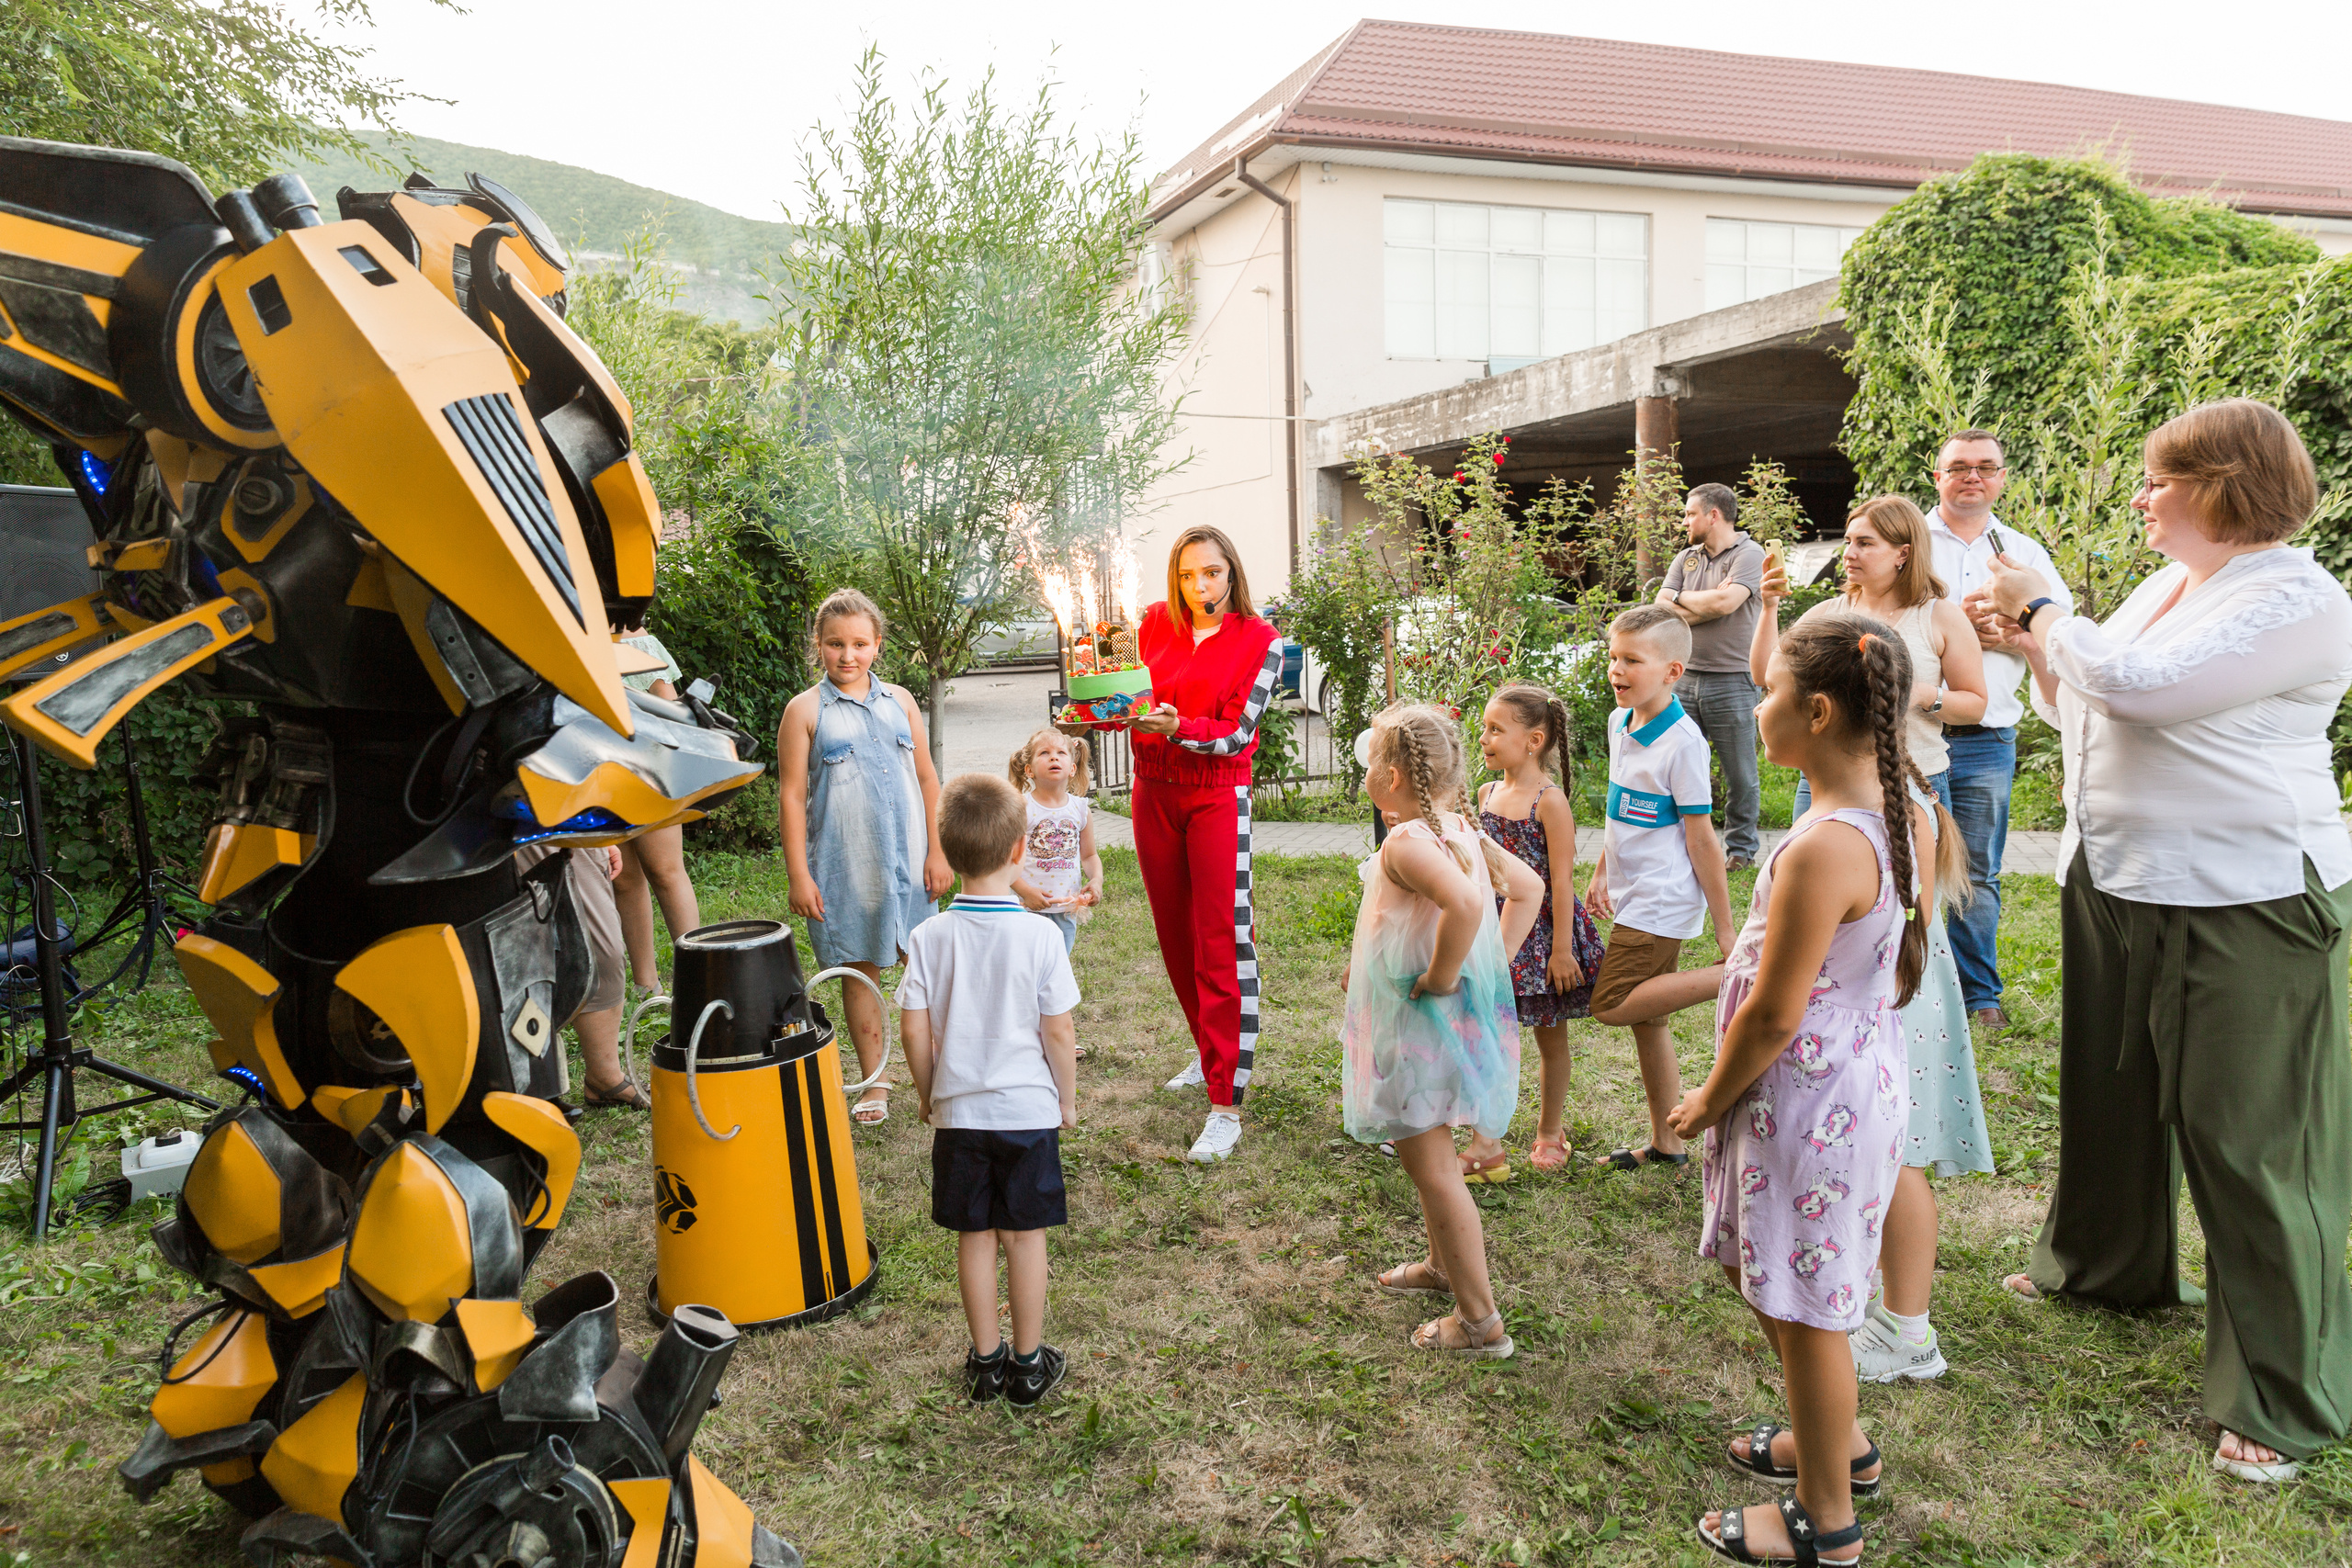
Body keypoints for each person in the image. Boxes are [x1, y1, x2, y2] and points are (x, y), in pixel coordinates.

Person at [1977, 399, 2352, 1486]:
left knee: (2245, 1138)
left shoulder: (2300, 598)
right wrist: (2038, 652)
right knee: (2109, 1091)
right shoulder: (2162, 588)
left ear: (2224, 484)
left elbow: (2141, 691)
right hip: (2118, 877)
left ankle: (2279, 1394)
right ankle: (2100, 1266)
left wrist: (2044, 611)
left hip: (2243, 896)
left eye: (2159, 479)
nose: (2141, 496)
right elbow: (2089, 708)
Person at [1669, 611, 1932, 1566]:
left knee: (1807, 1306)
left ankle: (1827, 1522)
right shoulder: (1904, 811)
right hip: (1851, 1086)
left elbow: (1776, 1014)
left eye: (1768, 691)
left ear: (1816, 713)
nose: (1754, 705)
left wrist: (1704, 1096)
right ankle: (1839, 1443)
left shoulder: (1827, 847)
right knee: (1776, 1276)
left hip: (1802, 1101)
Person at [1756, 500, 1997, 1383]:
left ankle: (1905, 1325)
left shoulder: (1870, 828)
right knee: (1893, 1155)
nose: (1848, 550)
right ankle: (1892, 1319)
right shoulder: (1888, 816)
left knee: (1898, 1157)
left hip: (1873, 1010)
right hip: (1881, 990)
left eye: (1862, 538)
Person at [1065, 525, 1283, 1165]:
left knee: (1220, 938)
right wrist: (1098, 711)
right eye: (1188, 575)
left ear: (1232, 573)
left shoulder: (1261, 639)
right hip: (1153, 790)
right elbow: (1122, 695)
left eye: (1212, 573)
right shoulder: (1152, 623)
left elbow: (1240, 733)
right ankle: (1208, 1049)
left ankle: (1226, 1104)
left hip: (1217, 793)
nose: (1200, 586)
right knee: (1177, 938)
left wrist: (1178, 725)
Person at [1345, 705, 1542, 1359]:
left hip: (1420, 1027)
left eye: (1371, 763)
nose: (1365, 772)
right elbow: (1530, 888)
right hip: (1446, 1031)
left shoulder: (1407, 841)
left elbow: (1461, 903)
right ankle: (1440, 1265)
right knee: (1433, 1153)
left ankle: (1480, 1320)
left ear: (1394, 775)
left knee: (1434, 1172)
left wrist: (1441, 975)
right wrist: (1492, 967)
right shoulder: (1454, 826)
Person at [898, 773, 1080, 1407]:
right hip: (1028, 1112)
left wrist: (928, 1093)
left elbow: (914, 1029)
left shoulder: (927, 938)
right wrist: (1067, 1098)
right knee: (1026, 1238)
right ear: (1018, 850)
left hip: (960, 1116)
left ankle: (985, 1361)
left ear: (946, 853)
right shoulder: (1040, 936)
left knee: (974, 1237)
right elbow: (1058, 1030)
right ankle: (1028, 1365)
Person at [778, 588, 952, 1126]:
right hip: (847, 868)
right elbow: (789, 795)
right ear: (819, 646)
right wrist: (800, 875)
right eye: (835, 644)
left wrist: (939, 849)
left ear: (877, 644)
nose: (847, 655)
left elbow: (926, 777)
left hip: (914, 863)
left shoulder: (901, 700)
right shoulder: (805, 711)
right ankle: (875, 1080)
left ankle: (947, 1073)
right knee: (861, 974)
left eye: (858, 643)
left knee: (927, 969)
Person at [1922, 429, 2070, 1030]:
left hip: (1987, 734)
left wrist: (2015, 632)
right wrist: (1955, 632)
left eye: (1986, 467)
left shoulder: (2025, 553)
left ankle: (1981, 997)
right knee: (1912, 863)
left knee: (1977, 869)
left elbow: (2059, 634)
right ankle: (1917, 989)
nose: (1972, 476)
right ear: (1938, 476)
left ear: (2003, 477)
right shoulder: (1908, 541)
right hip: (1918, 725)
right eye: (1959, 466)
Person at [1583, 606, 1734, 1172]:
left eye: (1632, 660)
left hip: (1662, 900)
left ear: (1672, 671)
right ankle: (1668, 1145)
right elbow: (1619, 811)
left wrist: (1727, 935)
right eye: (1613, 657)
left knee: (1615, 1003)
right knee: (1650, 1020)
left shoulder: (1684, 744)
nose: (1617, 670)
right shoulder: (1620, 723)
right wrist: (1602, 869)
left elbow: (1703, 841)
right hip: (1630, 892)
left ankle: (1737, 976)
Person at [1758, 496, 1988, 818]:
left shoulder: (1941, 618)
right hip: (1827, 780)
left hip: (1915, 779)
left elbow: (1975, 707)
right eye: (1849, 541)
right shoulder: (1827, 614)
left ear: (1903, 553)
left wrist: (1918, 694)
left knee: (1913, 869)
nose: (1849, 553)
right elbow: (1763, 677)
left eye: (1865, 543)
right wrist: (1769, 607)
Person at [1460, 683, 1604, 1178]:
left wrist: (1561, 950)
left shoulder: (1550, 801)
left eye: (1496, 730)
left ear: (1534, 740)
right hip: (1495, 929)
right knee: (1488, 1029)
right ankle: (1485, 1135)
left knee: (1549, 1036)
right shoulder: (1486, 793)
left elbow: (1562, 883)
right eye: (1484, 728)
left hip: (1541, 937)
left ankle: (1549, 1130)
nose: (1484, 738)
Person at [1658, 484, 1768, 872]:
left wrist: (1680, 600)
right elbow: (1661, 607)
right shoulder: (1686, 557)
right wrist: (1697, 604)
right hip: (1682, 679)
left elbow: (1727, 602)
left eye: (1689, 514)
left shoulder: (1750, 555)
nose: (1684, 521)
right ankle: (1683, 842)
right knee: (1678, 766)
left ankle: (1740, 850)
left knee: (1740, 774)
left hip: (1734, 680)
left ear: (1713, 515)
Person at [514, 842, 643, 1109]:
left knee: (602, 951)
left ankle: (604, 1077)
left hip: (555, 820)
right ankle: (520, 1092)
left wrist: (599, 835)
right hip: (464, 828)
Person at [611, 622, 702, 991]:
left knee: (665, 871)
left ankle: (701, 975)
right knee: (624, 878)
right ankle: (647, 987)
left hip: (650, 768)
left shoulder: (636, 638)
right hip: (599, 768)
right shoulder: (568, 631)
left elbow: (672, 713)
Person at [1007, 728, 1104, 954]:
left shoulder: (1080, 809)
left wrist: (1097, 879)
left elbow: (1089, 855)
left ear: (1071, 768)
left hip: (1065, 908)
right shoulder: (1022, 809)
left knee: (1058, 969)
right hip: (1026, 910)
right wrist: (1026, 892)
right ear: (1029, 770)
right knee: (1027, 970)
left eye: (1061, 752)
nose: (1053, 757)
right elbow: (1006, 861)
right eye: (1044, 753)